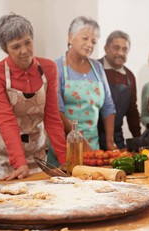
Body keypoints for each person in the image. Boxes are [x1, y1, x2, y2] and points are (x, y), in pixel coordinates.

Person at [0, 13, 66, 184]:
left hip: (36, 152)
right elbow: (6, 121)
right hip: (1, 152)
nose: (24, 51)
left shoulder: (49, 68)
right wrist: (19, 163)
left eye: (28, 42)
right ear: (6, 49)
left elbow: (52, 117)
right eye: (16, 46)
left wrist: (65, 159)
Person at [47, 16, 116, 165]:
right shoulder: (56, 67)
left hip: (93, 146)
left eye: (93, 41)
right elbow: (56, 111)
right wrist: (80, 140)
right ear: (70, 37)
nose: (89, 44)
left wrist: (110, 141)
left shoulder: (97, 68)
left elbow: (108, 107)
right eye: (85, 38)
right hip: (65, 145)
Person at [98, 30, 141, 150]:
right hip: (92, 139)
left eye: (125, 49)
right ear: (106, 48)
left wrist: (139, 142)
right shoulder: (94, 69)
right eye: (116, 48)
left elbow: (132, 111)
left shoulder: (130, 77)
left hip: (117, 139)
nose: (120, 53)